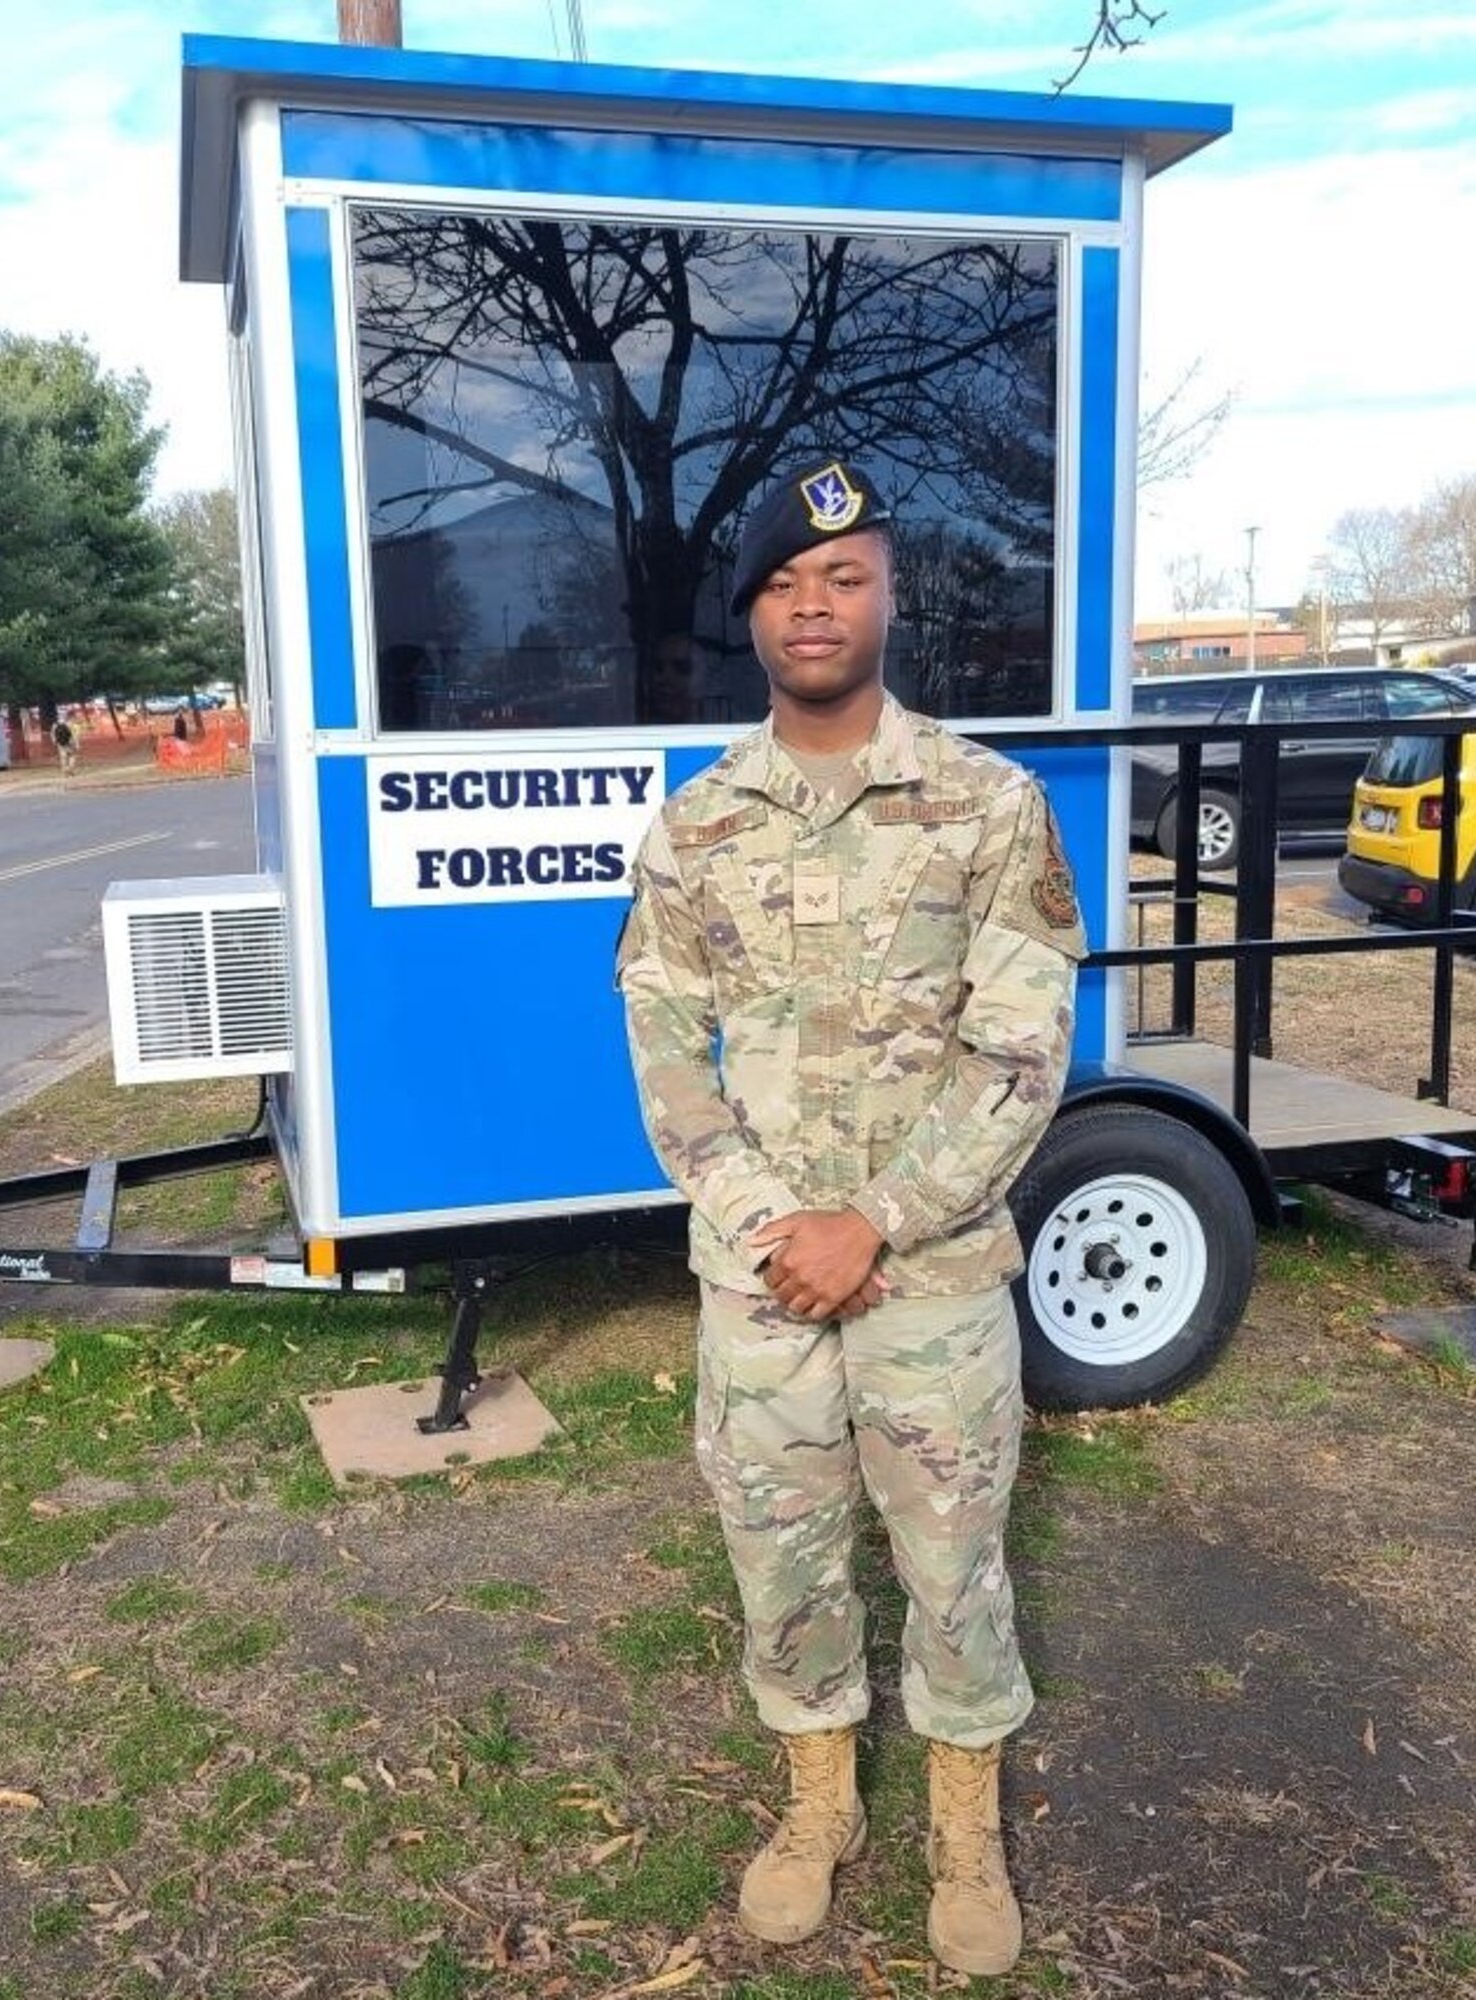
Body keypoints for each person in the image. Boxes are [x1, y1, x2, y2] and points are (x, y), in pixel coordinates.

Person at [616, 460, 1084, 1975]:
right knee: (778, 1550)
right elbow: (665, 1059)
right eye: (782, 585)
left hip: (929, 1275)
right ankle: (820, 1806)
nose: (812, 606)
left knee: (953, 1561)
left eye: (844, 578)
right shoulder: (693, 829)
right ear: (750, 613)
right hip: (759, 1285)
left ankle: (963, 1827)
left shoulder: (985, 804)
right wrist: (775, 1228)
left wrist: (872, 1220)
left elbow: (1019, 1049)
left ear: (891, 598)